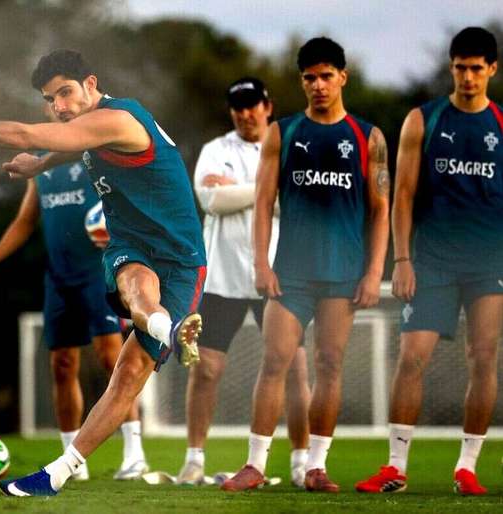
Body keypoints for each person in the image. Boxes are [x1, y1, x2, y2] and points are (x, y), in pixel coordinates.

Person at [0, 49, 206, 497]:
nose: (59, 106)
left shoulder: (118, 119)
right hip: (131, 245)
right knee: (135, 289)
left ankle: (165, 336)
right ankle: (168, 331)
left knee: (128, 374)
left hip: (180, 258)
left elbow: (24, 133)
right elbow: (77, 148)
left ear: (91, 83)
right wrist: (41, 164)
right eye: (50, 99)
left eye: (65, 93)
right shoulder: (96, 127)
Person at [220, 37, 390, 493]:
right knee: (274, 360)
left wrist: (375, 271)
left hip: (343, 273)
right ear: (302, 81)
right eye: (309, 78)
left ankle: (316, 467)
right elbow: (262, 202)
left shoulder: (369, 137)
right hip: (290, 273)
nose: (318, 85)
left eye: (326, 76)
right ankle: (255, 465)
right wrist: (261, 263)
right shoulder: (283, 132)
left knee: (329, 364)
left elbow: (381, 210)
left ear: (342, 77)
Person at [356, 27, 502, 497]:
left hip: (489, 264)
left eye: (476, 68)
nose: (467, 77)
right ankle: (395, 467)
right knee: (412, 357)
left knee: (483, 358)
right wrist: (401, 258)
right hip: (432, 262)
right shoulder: (423, 120)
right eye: (460, 67)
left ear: (492, 69)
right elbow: (402, 194)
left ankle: (467, 468)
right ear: (451, 68)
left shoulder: (500, 124)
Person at [0, 108, 148, 481]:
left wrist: (117, 233)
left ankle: (135, 454)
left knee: (111, 358)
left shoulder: (95, 154)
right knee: (62, 365)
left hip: (98, 273)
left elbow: (129, 202)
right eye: (52, 103)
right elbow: (25, 220)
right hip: (59, 278)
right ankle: (72, 460)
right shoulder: (40, 164)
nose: (59, 109)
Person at [178, 77, 310, 487]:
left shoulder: (290, 147)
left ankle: (302, 462)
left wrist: (240, 190)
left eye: (252, 105)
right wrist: (268, 191)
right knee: (206, 369)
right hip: (222, 277)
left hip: (277, 275)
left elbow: (298, 201)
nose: (245, 113)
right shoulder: (216, 149)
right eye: (238, 106)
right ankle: (194, 459)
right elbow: (210, 199)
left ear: (267, 106)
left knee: (295, 370)